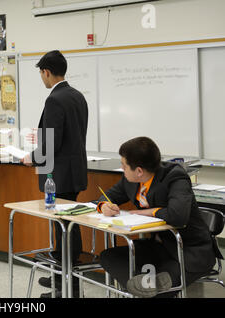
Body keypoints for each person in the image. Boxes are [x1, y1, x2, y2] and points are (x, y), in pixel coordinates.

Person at [97, 136, 217, 297]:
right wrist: (104, 206)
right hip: (159, 247)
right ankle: (146, 283)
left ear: (139, 171)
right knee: (108, 256)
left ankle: (149, 285)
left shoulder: (175, 177)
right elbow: (105, 197)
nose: (121, 168)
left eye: (124, 165)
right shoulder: (130, 180)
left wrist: (149, 211)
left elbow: (178, 216)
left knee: (161, 290)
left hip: (189, 251)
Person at [21, 50, 89, 298]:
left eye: (41, 73)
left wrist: (31, 157)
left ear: (46, 72)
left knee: (65, 231)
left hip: (58, 175)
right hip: (73, 172)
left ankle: (66, 288)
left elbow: (51, 144)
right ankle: (60, 278)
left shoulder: (54, 99)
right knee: (67, 227)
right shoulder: (77, 95)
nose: (42, 78)